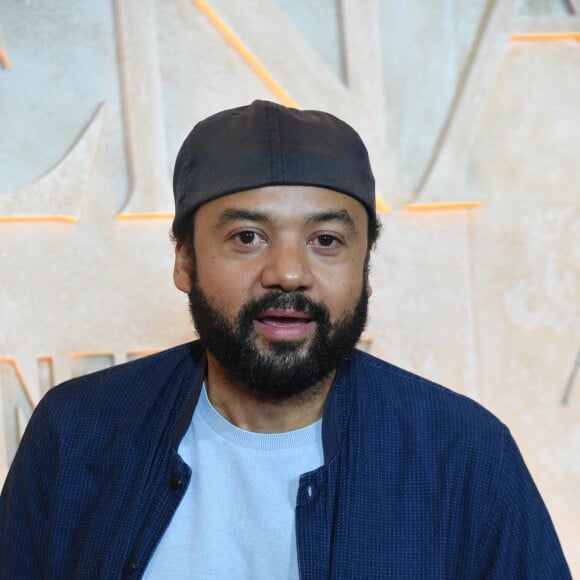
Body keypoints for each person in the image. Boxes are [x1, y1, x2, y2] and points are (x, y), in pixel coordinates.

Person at [0, 100, 571, 579]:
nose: (289, 272)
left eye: (326, 239)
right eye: (247, 236)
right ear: (184, 260)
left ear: (364, 264)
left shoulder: (464, 455)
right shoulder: (76, 434)